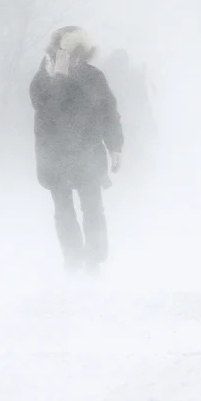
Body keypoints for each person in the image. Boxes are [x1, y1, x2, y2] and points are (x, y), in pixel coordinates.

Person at [29, 26, 124, 273]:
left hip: (88, 152)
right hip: (55, 154)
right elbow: (48, 109)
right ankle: (72, 258)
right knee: (63, 210)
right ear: (56, 51)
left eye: (75, 53)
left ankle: (94, 260)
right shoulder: (43, 80)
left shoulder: (93, 77)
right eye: (64, 52)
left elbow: (108, 112)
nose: (71, 58)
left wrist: (115, 146)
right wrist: (59, 77)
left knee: (93, 208)